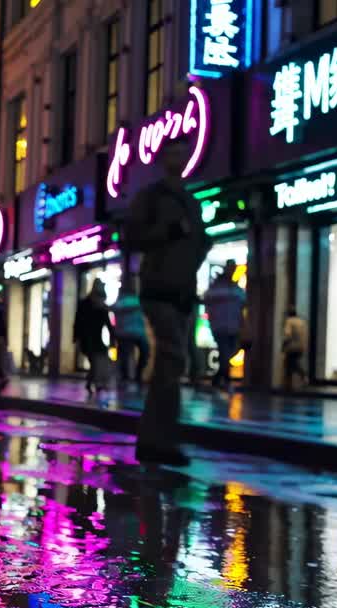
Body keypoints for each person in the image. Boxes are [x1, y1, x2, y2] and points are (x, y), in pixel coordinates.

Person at [124, 137, 210, 467]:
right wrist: (169, 232)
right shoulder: (152, 197)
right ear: (163, 159)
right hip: (158, 288)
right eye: (173, 153)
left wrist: (200, 247)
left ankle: (155, 439)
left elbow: (195, 243)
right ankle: (159, 440)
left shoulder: (191, 201)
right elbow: (131, 238)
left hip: (182, 291)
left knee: (171, 364)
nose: (179, 159)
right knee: (172, 358)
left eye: (183, 154)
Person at [203, 261, 247, 390]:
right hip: (220, 325)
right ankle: (225, 379)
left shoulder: (232, 287)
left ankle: (218, 379)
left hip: (231, 325)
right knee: (225, 352)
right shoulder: (221, 286)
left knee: (228, 353)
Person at [74, 280, 114, 396]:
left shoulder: (96, 306)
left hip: (94, 339)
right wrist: (76, 337)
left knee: (97, 361)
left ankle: (93, 383)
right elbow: (78, 322)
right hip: (87, 339)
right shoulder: (88, 305)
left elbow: (108, 324)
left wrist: (113, 338)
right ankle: (96, 383)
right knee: (95, 361)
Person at [112, 278, 148, 386]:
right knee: (127, 355)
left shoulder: (132, 299)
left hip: (132, 332)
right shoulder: (125, 300)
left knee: (130, 354)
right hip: (128, 332)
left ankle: (131, 376)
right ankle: (128, 377)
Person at [282, 307, 309, 392]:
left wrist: (283, 345)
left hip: (292, 347)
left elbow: (287, 335)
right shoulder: (302, 321)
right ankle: (290, 383)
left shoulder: (289, 321)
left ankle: (301, 378)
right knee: (292, 363)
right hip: (301, 347)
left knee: (290, 364)